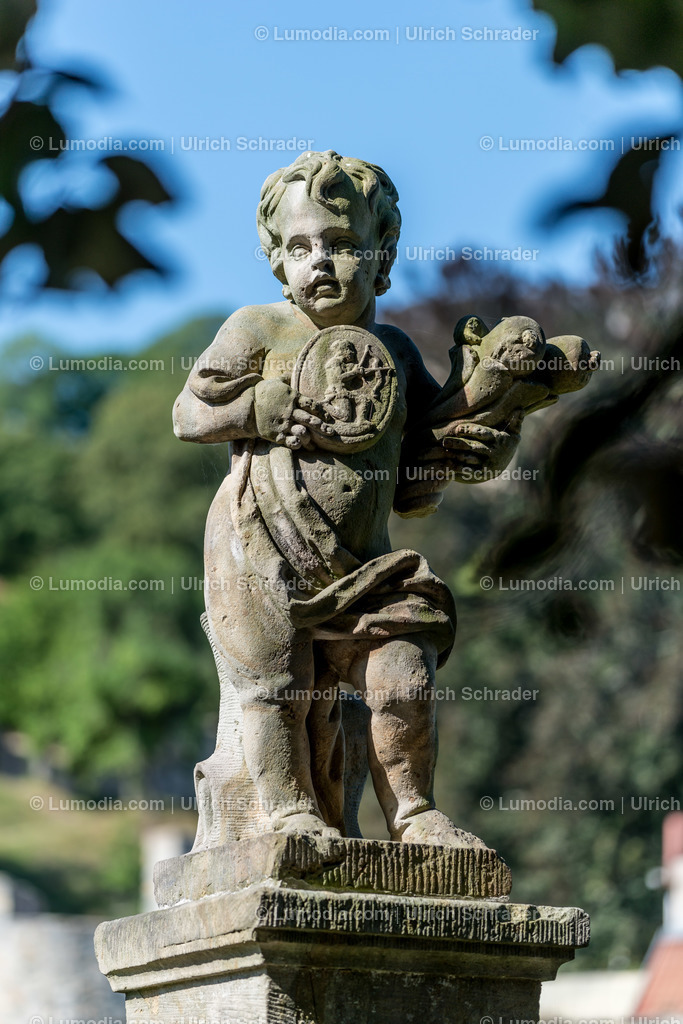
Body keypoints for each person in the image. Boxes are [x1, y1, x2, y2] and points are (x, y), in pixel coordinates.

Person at [173, 150, 518, 850]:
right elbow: (188, 413)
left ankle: (414, 814)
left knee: (403, 672)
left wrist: (481, 449)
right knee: (277, 686)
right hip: (260, 544)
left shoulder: (391, 349)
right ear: (275, 259)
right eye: (299, 248)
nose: (319, 263)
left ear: (381, 253)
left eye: (339, 244)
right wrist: (261, 407)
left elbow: (417, 481)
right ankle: (292, 812)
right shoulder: (257, 330)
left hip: (363, 563)